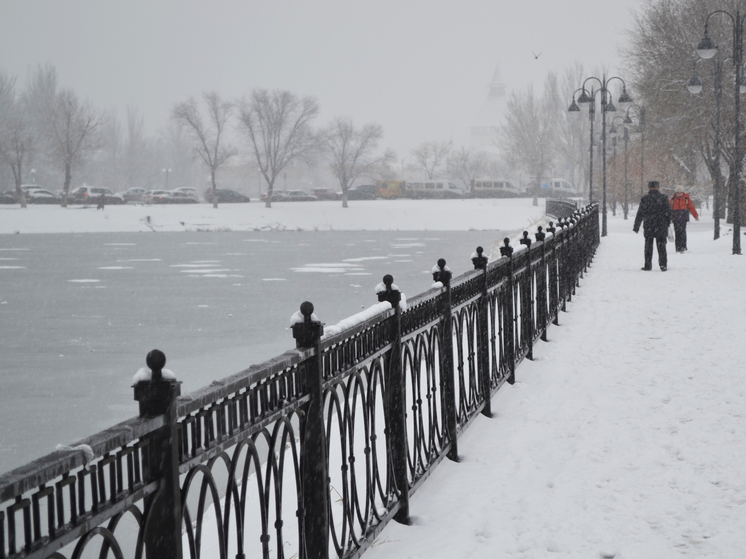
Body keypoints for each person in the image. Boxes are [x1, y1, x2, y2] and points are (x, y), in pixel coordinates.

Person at [633, 181, 672, 271]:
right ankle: (663, 264)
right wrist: (667, 222)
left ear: (649, 188)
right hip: (661, 225)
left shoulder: (645, 199)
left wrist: (636, 226)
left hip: (649, 225)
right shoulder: (664, 198)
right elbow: (669, 212)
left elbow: (640, 213)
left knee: (648, 246)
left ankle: (648, 265)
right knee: (662, 246)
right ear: (658, 187)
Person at [670, 185, 699, 252]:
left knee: (683, 232)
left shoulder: (686, 199)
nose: (679, 194)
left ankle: (683, 246)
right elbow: (669, 209)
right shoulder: (672, 200)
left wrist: (695, 216)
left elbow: (691, 208)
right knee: (677, 233)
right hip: (676, 218)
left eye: (680, 192)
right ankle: (678, 247)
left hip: (683, 218)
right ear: (676, 193)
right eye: (678, 192)